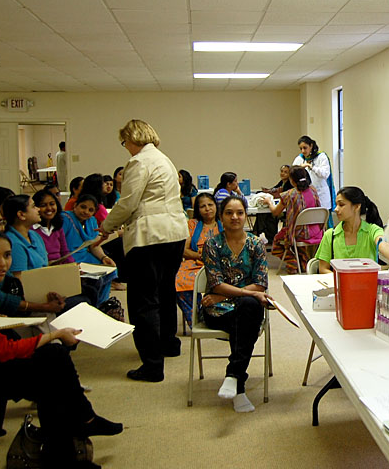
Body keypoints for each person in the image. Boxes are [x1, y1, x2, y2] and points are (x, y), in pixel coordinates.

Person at [0, 227, 123, 466]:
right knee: (51, 369)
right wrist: (55, 335)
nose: (2, 263)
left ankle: (69, 443)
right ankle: (79, 428)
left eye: (7, 255)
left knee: (53, 363)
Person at [99, 119, 187, 382]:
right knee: (165, 290)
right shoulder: (164, 159)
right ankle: (168, 344)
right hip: (174, 233)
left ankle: (151, 365)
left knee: (143, 301)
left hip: (150, 236)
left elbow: (127, 203)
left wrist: (107, 225)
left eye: (124, 142)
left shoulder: (139, 162)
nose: (125, 147)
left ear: (132, 138)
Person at [200, 196, 269, 413]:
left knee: (249, 307)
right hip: (218, 311)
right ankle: (238, 386)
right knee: (247, 316)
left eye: (239, 212)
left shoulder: (256, 244)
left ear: (246, 215)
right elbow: (216, 284)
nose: (235, 217)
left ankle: (234, 376)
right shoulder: (212, 245)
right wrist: (223, 296)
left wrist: (224, 295)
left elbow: (260, 285)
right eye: (229, 213)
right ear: (221, 217)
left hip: (244, 308)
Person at [317, 186, 389, 273]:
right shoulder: (330, 235)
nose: (336, 209)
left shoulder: (372, 230)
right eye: (336, 205)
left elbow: (384, 245)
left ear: (357, 207)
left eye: (341, 205)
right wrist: (343, 279)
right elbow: (323, 269)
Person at [175, 193, 221, 326]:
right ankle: (196, 317)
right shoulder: (192, 224)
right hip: (196, 260)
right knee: (178, 280)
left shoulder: (223, 223)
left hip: (220, 263)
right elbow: (183, 250)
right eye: (203, 206)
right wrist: (201, 256)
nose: (207, 209)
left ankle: (214, 312)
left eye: (210, 205)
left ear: (216, 206)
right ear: (197, 209)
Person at [267, 166, 323, 274]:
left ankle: (291, 260)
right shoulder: (313, 191)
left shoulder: (289, 195)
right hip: (316, 231)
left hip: (298, 233)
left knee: (277, 240)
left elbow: (275, 212)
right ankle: (303, 262)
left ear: (291, 180)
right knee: (299, 237)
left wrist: (269, 202)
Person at [62, 194, 117, 303]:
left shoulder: (91, 221)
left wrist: (103, 257)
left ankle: (102, 304)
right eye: (83, 207)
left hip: (85, 256)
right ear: (75, 206)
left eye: (90, 210)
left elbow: (92, 245)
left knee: (110, 269)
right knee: (96, 279)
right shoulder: (65, 219)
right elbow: (59, 244)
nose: (86, 211)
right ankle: (93, 305)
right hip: (69, 257)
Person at [293, 135, 335, 224]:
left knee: (323, 222)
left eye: (305, 148)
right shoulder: (300, 158)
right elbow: (292, 172)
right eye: (301, 148)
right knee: (310, 221)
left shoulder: (321, 156)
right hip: (307, 195)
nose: (303, 151)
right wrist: (299, 168)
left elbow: (325, 174)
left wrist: (311, 167)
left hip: (321, 195)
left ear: (311, 146)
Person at [32, 189, 74, 265]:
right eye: (43, 205)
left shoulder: (57, 228)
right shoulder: (32, 230)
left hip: (60, 269)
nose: (49, 208)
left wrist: (73, 267)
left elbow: (65, 252)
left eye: (52, 204)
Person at [254, 164, 292, 245]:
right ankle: (259, 233)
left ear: (290, 174)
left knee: (267, 214)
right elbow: (273, 189)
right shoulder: (282, 182)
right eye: (281, 171)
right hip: (279, 206)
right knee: (262, 213)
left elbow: (280, 195)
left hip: (285, 210)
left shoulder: (289, 185)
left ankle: (260, 233)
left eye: (285, 172)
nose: (282, 173)